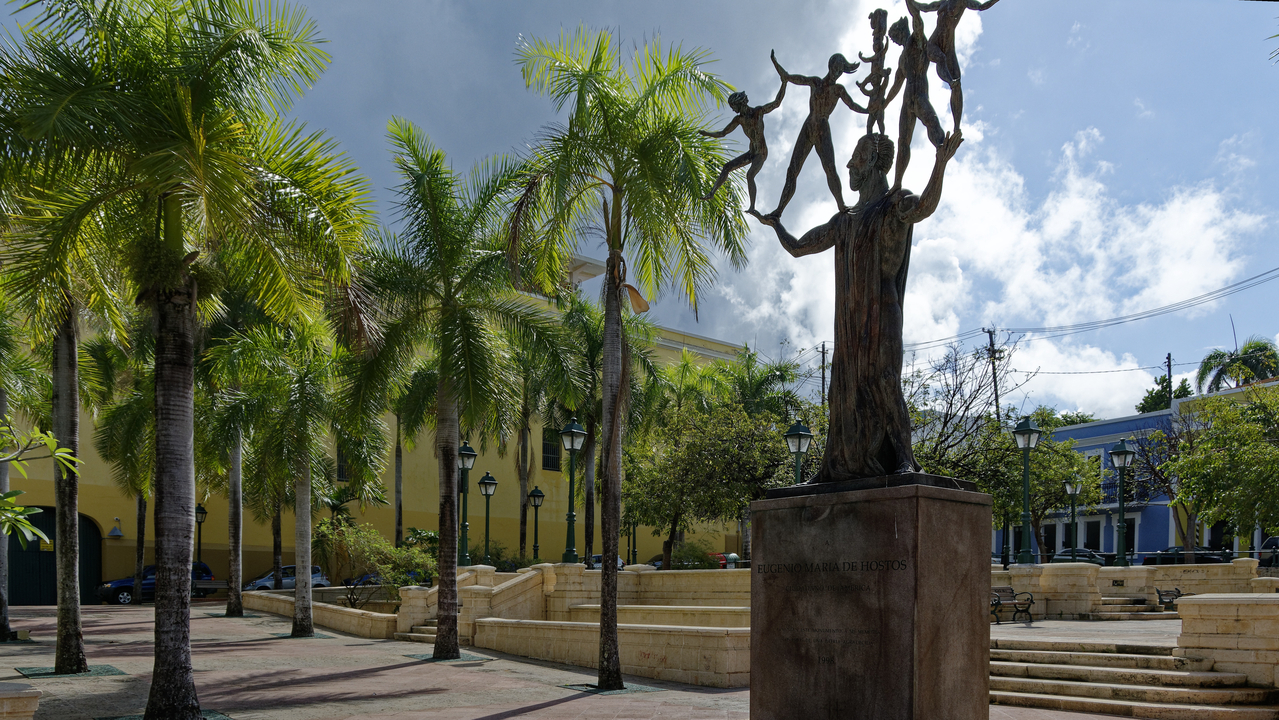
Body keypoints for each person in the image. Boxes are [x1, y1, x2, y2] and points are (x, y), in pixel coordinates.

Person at [751, 129, 964, 480]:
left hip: (881, 310)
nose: (850, 164)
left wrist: (939, 163)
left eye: (858, 157)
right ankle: (837, 464)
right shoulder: (845, 221)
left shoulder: (895, 205)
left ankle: (904, 458)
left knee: (884, 381)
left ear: (876, 165)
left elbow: (924, 207)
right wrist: (775, 224)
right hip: (850, 323)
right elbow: (800, 247)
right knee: (842, 391)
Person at [768, 51, 866, 216]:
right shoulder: (815, 82)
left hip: (822, 129)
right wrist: (778, 66)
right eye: (836, 68)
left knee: (830, 168)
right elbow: (792, 77)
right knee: (792, 170)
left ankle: (841, 205)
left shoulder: (838, 90)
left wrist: (869, 111)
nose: (837, 72)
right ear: (830, 66)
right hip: (808, 127)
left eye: (840, 70)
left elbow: (853, 105)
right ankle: (778, 211)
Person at [912, 0, 1001, 129]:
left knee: (957, 85)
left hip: (948, 48)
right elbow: (924, 8)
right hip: (934, 44)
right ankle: (950, 80)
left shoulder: (964, 2)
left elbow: (981, 6)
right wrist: (911, 2)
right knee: (941, 59)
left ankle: (956, 127)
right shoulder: (943, 2)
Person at [699, 81, 786, 213]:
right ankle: (712, 193)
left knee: (750, 175)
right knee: (726, 167)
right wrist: (707, 133)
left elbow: (777, 102)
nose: (733, 109)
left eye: (733, 106)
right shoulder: (738, 120)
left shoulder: (758, 111)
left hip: (761, 153)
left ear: (740, 103)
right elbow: (723, 133)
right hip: (751, 152)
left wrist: (784, 82)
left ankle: (752, 207)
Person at [886, 3, 946, 191]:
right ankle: (897, 183)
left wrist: (910, 3)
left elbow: (917, 20)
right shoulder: (902, 58)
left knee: (931, 121)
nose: (895, 40)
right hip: (907, 99)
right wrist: (883, 103)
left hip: (919, 92)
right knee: (903, 141)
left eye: (895, 35)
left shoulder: (917, 40)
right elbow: (896, 84)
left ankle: (942, 146)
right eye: (893, 38)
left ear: (901, 30)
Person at [857, 9, 895, 135]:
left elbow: (885, 83)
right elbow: (864, 89)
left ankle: (883, 137)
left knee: (880, 123)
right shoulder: (873, 91)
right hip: (872, 108)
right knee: (869, 126)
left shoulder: (879, 90)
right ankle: (869, 138)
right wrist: (861, 85)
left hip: (879, 73)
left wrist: (886, 76)